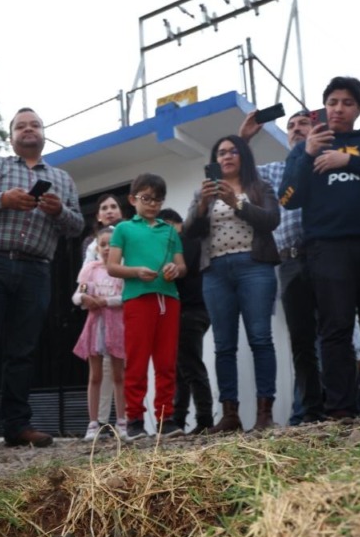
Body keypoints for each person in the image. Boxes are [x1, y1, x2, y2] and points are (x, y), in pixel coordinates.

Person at [0, 107, 84, 451]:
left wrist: (59, 211)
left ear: (43, 133)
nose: (28, 129)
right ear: (12, 136)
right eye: (20, 126)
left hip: (36, 268)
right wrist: (2, 199)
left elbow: (78, 226)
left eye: (34, 124)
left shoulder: (63, 179)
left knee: (23, 349)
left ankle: (17, 424)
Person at [279, 76, 360, 418]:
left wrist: (347, 161)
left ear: (359, 109)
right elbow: (288, 198)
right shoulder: (303, 150)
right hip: (328, 249)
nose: (339, 108)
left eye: (347, 102)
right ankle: (340, 410)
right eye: (333, 102)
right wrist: (308, 154)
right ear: (324, 108)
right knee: (335, 330)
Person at [185, 135, 280, 433]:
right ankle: (229, 415)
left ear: (243, 157)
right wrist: (202, 205)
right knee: (224, 346)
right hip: (215, 272)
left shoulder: (259, 186)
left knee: (260, 339)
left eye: (232, 152)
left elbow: (271, 220)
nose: (226, 157)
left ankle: (265, 413)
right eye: (221, 152)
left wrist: (235, 202)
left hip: (255, 268)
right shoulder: (205, 193)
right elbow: (190, 231)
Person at [240, 109, 326, 424]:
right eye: (290, 126)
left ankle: (342, 405)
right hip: (290, 261)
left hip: (327, 255)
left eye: (303, 123)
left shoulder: (329, 162)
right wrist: (245, 137)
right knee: (302, 341)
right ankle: (310, 413)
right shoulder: (277, 171)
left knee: (333, 334)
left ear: (318, 128)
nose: (295, 128)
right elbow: (245, 176)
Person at [107, 172, 186, 440]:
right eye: (146, 198)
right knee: (137, 361)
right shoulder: (124, 229)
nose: (152, 204)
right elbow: (112, 266)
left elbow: (182, 265)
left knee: (166, 361)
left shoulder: (169, 230)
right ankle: (135, 420)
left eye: (158, 200)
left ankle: (166, 419)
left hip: (169, 299)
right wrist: (136, 271)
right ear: (133, 199)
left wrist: (176, 268)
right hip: (138, 300)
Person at [157, 208, 213, 434]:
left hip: (189, 311)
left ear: (171, 224)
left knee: (190, 367)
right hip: (195, 310)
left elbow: (180, 272)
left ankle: (204, 420)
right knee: (182, 368)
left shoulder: (184, 241)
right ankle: (178, 419)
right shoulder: (189, 241)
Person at [72, 226, 126, 440]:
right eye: (102, 245)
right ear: (96, 247)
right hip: (95, 327)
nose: (106, 249)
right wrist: (84, 300)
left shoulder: (122, 271)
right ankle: (93, 423)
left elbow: (127, 297)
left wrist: (106, 301)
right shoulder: (91, 270)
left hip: (117, 327)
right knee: (95, 376)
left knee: (118, 376)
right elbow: (78, 295)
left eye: (111, 245)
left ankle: (122, 422)